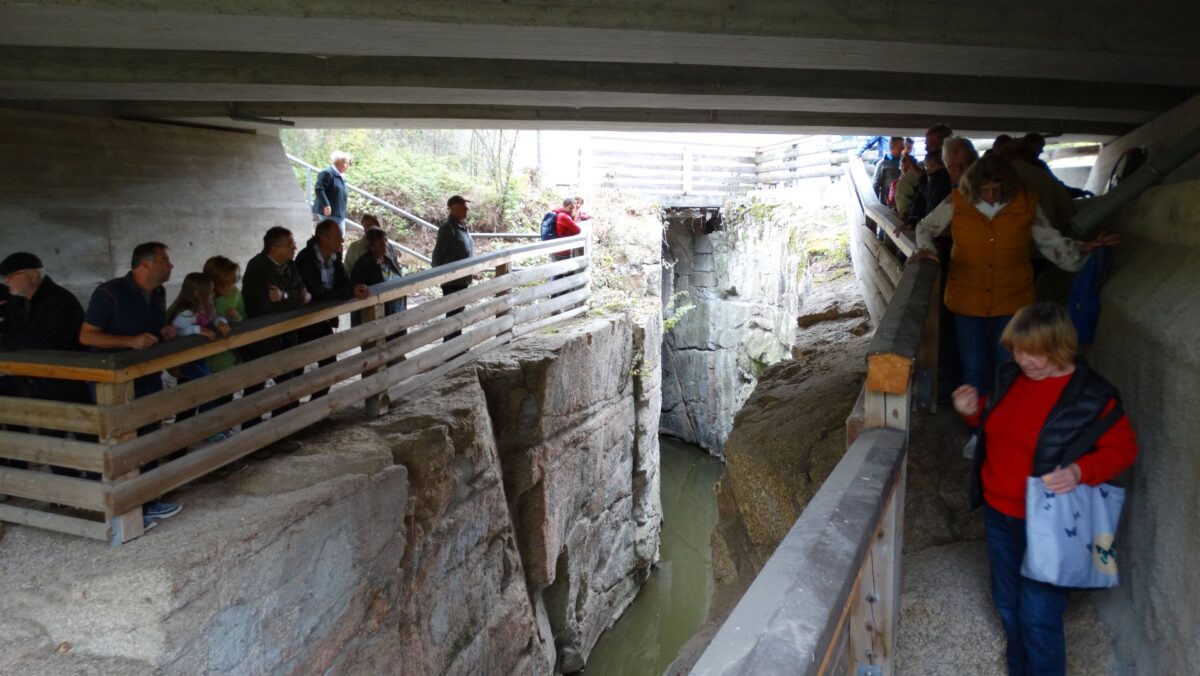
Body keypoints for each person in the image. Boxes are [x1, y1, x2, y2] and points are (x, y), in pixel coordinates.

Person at [952, 303, 1138, 676]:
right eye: (1018, 350)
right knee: (1007, 606)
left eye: (1037, 353)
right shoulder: (1011, 376)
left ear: (1062, 347)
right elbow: (998, 421)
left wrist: (1080, 471)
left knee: (1037, 616)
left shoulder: (1092, 396)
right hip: (998, 514)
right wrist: (973, 411)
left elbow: (1125, 449)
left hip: (1049, 526)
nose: (1025, 361)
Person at [911, 156, 1118, 399]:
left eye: (996, 189)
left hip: (1013, 302)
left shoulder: (1026, 202)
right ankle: (979, 431)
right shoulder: (957, 201)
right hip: (966, 299)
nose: (990, 195)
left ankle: (1004, 424)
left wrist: (1082, 248)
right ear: (973, 187)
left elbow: (1049, 241)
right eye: (984, 190)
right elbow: (925, 227)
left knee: (1008, 367)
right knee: (973, 369)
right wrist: (926, 249)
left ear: (1008, 185)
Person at [78, 242, 181, 526]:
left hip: (145, 375)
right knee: (120, 441)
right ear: (145, 264)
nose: (170, 265)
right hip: (112, 382)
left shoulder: (158, 293)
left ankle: (147, 500)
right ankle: (122, 509)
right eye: (165, 260)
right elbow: (87, 336)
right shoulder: (108, 293)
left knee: (149, 433)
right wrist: (129, 342)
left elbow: (146, 332)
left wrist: (163, 333)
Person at [0, 252, 93, 472]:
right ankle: (64, 491)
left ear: (32, 275)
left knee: (86, 434)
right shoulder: (19, 302)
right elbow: (13, 332)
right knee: (51, 440)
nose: (6, 281)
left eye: (11, 276)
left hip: (68, 382)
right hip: (37, 384)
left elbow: (45, 342)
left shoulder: (59, 300)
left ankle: (95, 485)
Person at [241, 226, 310, 427]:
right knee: (257, 386)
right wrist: (295, 297)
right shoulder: (257, 268)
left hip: (287, 333)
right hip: (261, 337)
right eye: (290, 244)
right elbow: (267, 304)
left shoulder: (291, 265)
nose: (294, 247)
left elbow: (304, 293)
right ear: (274, 248)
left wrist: (285, 296)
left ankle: (283, 430)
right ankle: (251, 432)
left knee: (288, 382)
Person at [166, 272, 233, 441]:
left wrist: (220, 322)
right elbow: (176, 332)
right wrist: (196, 330)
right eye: (210, 291)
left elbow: (214, 318)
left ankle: (212, 425)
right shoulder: (186, 313)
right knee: (208, 386)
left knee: (209, 386)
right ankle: (208, 429)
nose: (213, 294)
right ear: (197, 294)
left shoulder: (205, 308)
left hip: (198, 357)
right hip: (185, 361)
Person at [431, 195, 475, 342]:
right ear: (454, 208)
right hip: (452, 279)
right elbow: (438, 253)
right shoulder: (447, 227)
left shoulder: (461, 226)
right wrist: (439, 275)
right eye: (463, 206)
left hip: (462, 278)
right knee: (453, 313)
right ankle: (451, 345)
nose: (467, 209)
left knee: (458, 312)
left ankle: (455, 344)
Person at [350, 227, 407, 327]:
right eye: (381, 242)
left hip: (396, 310)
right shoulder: (363, 265)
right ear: (372, 246)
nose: (385, 245)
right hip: (377, 316)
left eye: (385, 241)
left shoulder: (388, 260)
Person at [202, 255, 245, 376]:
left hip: (227, 359)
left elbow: (245, 317)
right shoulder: (199, 296)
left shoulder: (235, 294)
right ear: (215, 282)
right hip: (201, 359)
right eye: (228, 282)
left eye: (234, 280)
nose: (232, 285)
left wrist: (237, 317)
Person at [313, 150, 351, 236]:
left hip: (338, 212)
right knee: (333, 237)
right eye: (346, 163)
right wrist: (326, 205)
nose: (348, 165)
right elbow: (319, 188)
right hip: (329, 213)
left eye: (348, 163)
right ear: (337, 162)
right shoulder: (327, 172)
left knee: (339, 237)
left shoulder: (341, 175)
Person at [872, 136, 905, 201]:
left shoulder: (905, 161)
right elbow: (875, 185)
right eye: (901, 147)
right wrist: (877, 205)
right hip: (888, 204)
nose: (903, 149)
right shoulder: (882, 164)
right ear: (893, 147)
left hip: (902, 202)